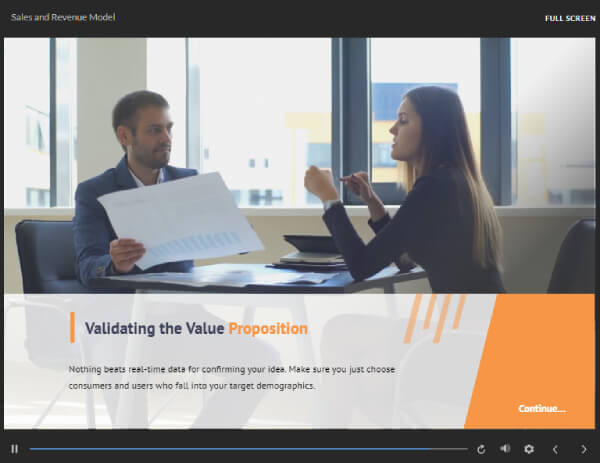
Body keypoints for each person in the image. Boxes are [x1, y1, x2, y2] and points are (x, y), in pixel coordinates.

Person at [304, 85, 505, 293]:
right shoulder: (451, 180)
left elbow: (361, 265)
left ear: (433, 129)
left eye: (403, 120)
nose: (392, 129)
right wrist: (372, 201)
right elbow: (405, 259)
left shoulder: (435, 186)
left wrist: (328, 197)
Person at [73, 90, 197, 288]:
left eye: (169, 128)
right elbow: (86, 267)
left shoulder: (188, 182)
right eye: (155, 130)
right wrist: (114, 264)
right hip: (128, 302)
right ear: (125, 136)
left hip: (183, 299)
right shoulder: (94, 192)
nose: (166, 138)